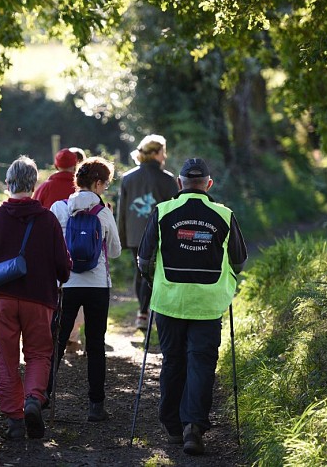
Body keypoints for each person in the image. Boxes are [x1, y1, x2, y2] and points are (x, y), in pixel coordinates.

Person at [136, 158, 247, 455]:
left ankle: (172, 425)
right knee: (201, 363)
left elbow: (144, 260)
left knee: (173, 360)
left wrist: (153, 281)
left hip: (169, 301)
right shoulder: (224, 214)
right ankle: (193, 427)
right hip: (209, 304)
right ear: (209, 185)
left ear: (179, 182)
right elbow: (239, 260)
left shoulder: (162, 212)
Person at [0, 156, 72, 440]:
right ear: (34, 183)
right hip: (39, 298)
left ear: (7, 183)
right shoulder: (48, 220)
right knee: (39, 353)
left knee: (7, 358)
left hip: (3, 297)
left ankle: (14, 420)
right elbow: (63, 267)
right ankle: (33, 400)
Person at [47, 156, 122, 421]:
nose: (106, 188)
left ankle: (43, 396)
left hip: (66, 284)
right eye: (106, 183)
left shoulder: (59, 208)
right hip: (97, 285)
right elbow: (114, 251)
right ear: (98, 183)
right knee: (96, 344)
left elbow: (50, 247)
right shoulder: (103, 212)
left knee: (56, 340)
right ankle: (96, 406)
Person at [116, 134, 178, 330]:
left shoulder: (128, 178)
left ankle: (143, 313)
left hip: (135, 235)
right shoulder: (167, 180)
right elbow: (175, 211)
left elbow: (122, 211)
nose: (165, 156)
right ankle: (150, 312)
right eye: (163, 151)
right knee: (157, 273)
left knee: (140, 273)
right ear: (156, 154)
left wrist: (122, 237)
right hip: (161, 233)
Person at [35, 147, 87, 354]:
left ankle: (52, 335)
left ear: (56, 165)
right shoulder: (82, 188)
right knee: (79, 293)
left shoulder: (45, 187)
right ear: (76, 164)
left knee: (53, 292)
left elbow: (35, 215)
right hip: (80, 248)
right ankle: (73, 338)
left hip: (51, 248)